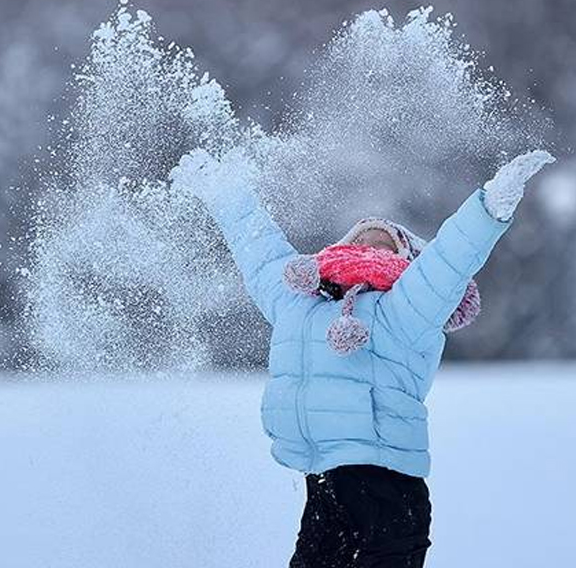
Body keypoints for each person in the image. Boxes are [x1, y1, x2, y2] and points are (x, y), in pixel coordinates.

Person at [170, 147, 554, 567]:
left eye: (385, 243)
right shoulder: (299, 303)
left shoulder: (406, 309)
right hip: (324, 485)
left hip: (388, 491)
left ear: (406, 262)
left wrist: (488, 208)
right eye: (359, 238)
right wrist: (225, 193)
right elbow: (259, 252)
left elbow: (449, 260)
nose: (368, 244)